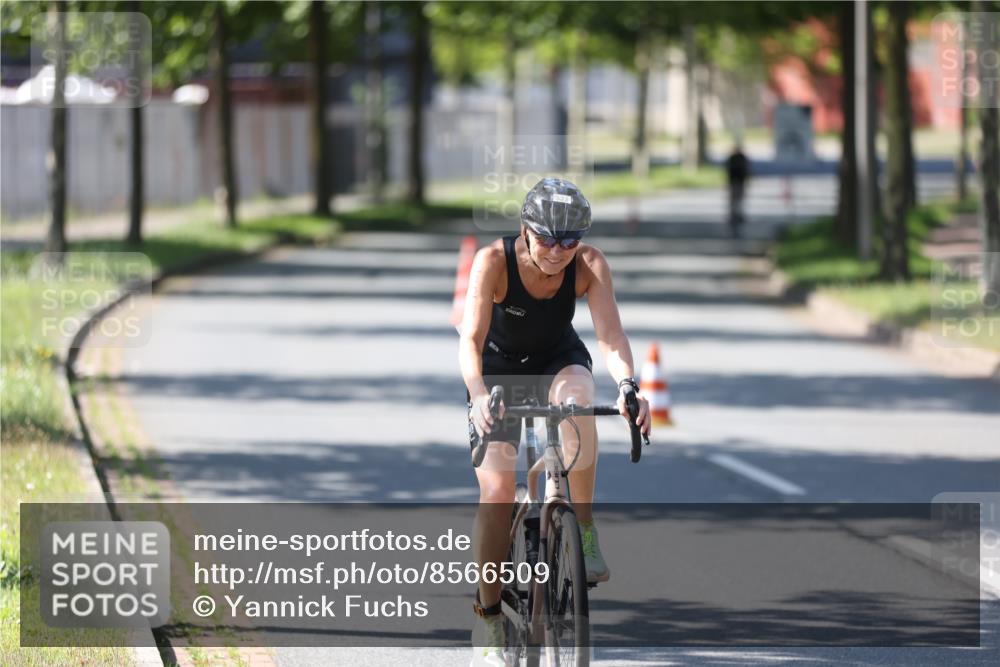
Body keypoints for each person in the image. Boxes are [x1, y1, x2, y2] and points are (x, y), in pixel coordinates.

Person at [459, 177, 652, 666]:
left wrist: (629, 386)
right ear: (525, 229)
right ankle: (487, 613)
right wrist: (479, 394)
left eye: (570, 240)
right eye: (547, 239)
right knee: (498, 491)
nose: (559, 251)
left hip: (556, 360)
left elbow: (609, 337)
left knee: (579, 402)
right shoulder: (493, 261)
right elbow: (470, 339)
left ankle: (581, 529)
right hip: (498, 370)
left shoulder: (587, 264)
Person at [725, 143, 751, 237]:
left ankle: (735, 215)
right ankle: (737, 215)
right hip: (738, 182)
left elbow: (728, 171)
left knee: (735, 200)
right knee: (738, 200)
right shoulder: (741, 158)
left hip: (736, 182)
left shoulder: (734, 158)